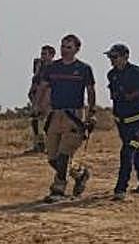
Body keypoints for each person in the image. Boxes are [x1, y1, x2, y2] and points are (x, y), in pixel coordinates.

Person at [34, 33, 96, 201]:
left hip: (74, 115)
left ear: (77, 49)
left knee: (64, 155)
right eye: (62, 46)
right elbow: (43, 87)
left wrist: (91, 112)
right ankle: (80, 174)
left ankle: (58, 189)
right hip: (55, 114)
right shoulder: (52, 68)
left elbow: (90, 91)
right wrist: (37, 106)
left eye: (68, 47)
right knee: (53, 158)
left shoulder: (84, 69)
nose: (64, 50)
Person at [105, 43, 139, 200]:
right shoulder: (111, 75)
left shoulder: (138, 73)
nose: (112, 60)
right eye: (110, 57)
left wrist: (134, 98)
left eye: (115, 57)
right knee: (135, 152)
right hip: (122, 121)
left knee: (127, 151)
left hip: (137, 119)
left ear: (125, 57)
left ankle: (121, 188)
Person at [27, 44, 56, 153]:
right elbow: (35, 81)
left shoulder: (54, 68)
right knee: (36, 122)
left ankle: (50, 147)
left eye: (45, 54)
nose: (42, 56)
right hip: (37, 98)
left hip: (47, 99)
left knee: (47, 124)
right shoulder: (40, 67)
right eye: (42, 54)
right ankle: (38, 145)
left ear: (52, 55)